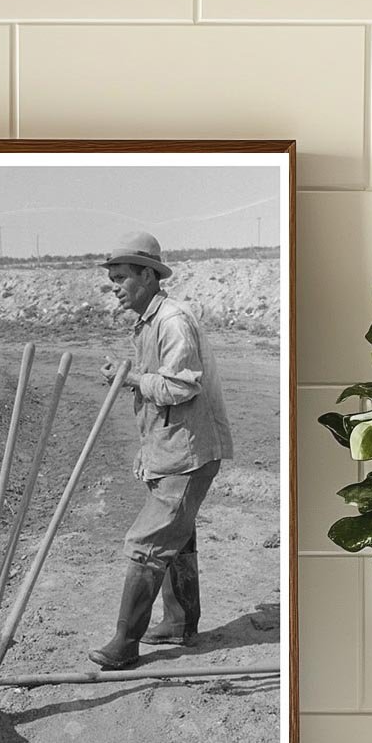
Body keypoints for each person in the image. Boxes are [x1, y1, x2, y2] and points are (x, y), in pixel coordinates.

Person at [91, 232, 233, 670]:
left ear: (149, 275)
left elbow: (180, 385)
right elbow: (162, 393)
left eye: (121, 277)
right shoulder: (148, 321)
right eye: (111, 278)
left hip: (190, 453)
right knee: (177, 534)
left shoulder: (171, 320)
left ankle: (124, 643)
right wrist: (147, 450)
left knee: (147, 542)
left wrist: (130, 378)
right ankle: (179, 622)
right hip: (171, 448)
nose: (114, 286)